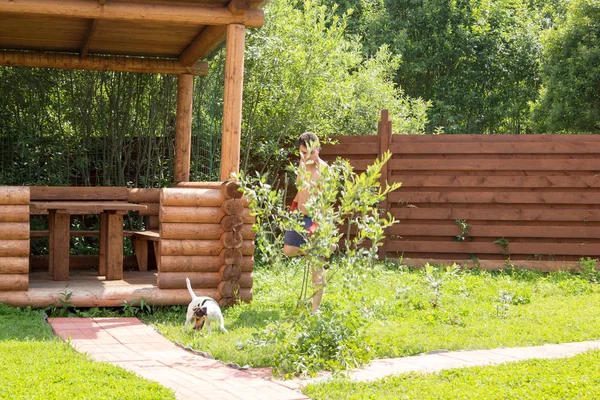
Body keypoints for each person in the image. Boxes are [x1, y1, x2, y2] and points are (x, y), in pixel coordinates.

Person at [283, 132, 329, 313]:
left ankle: (315, 310)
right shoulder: (302, 164)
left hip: (316, 219)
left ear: (317, 149)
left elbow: (326, 201)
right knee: (288, 250)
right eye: (302, 153)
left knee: (316, 267)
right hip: (299, 216)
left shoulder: (325, 170)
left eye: (309, 152)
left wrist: (320, 225)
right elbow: (301, 190)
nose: (305, 156)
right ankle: (321, 250)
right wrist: (294, 208)